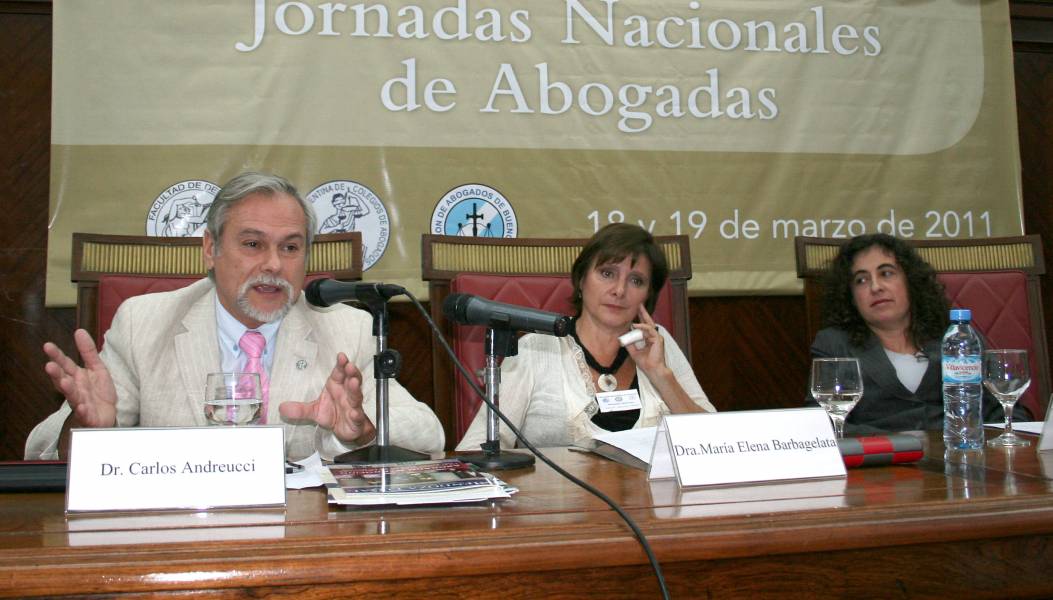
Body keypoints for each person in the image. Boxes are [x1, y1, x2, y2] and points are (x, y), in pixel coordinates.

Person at [26, 172, 444, 460]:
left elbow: (429, 437)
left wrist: (362, 430)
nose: (274, 265)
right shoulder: (144, 324)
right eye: (252, 244)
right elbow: (40, 449)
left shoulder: (344, 329)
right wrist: (87, 431)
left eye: (290, 248)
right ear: (211, 248)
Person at [456, 223, 715, 451]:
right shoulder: (536, 348)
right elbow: (475, 448)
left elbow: (715, 442)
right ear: (581, 280)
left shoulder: (659, 343)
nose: (619, 290)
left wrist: (660, 374)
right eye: (607, 273)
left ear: (648, 295)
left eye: (636, 281)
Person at [809, 233, 1029, 434]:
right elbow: (820, 424)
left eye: (886, 273)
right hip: (880, 466)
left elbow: (1008, 412)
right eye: (861, 280)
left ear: (910, 281)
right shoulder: (834, 344)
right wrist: (898, 442)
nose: (875, 287)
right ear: (851, 295)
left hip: (960, 459)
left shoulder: (957, 338)